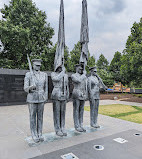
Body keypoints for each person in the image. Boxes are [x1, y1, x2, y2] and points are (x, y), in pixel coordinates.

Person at [24, 59, 48, 143]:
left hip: (41, 98)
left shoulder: (44, 75)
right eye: (36, 65)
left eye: (39, 65)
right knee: (32, 117)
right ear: (33, 65)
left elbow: (46, 88)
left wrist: (45, 97)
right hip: (32, 98)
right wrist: (31, 87)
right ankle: (34, 133)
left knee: (40, 117)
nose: (38, 67)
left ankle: (40, 133)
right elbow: (25, 88)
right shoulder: (28, 74)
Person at [51, 66, 69, 137]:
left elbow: (67, 86)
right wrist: (63, 72)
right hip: (56, 94)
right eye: (59, 66)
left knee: (63, 112)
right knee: (57, 113)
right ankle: (57, 129)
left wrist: (67, 94)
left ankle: (62, 127)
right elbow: (56, 79)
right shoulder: (53, 74)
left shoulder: (66, 75)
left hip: (64, 95)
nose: (61, 67)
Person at [71, 64, 87, 132]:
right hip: (76, 93)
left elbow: (85, 85)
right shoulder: (73, 75)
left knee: (81, 110)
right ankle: (76, 126)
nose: (81, 70)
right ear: (77, 68)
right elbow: (78, 80)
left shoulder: (83, 77)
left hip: (82, 94)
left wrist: (85, 93)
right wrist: (84, 75)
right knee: (76, 110)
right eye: (80, 69)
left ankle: (81, 124)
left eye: (82, 69)